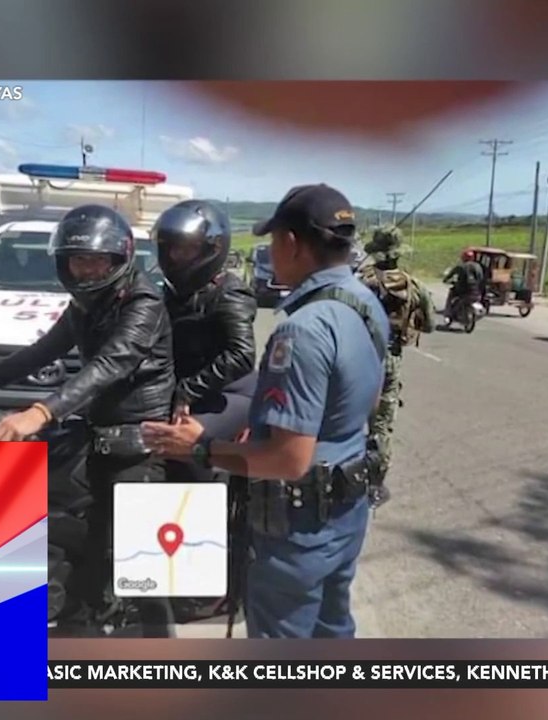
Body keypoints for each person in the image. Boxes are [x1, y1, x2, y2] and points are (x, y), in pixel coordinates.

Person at [142, 183, 390, 639]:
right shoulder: (365, 302)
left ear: (291, 244)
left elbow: (288, 460)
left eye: (273, 240)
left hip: (299, 527)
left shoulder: (302, 330)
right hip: (349, 507)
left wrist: (200, 450)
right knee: (333, 629)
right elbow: (370, 401)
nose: (270, 251)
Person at [0, 203, 176, 636]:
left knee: (141, 569)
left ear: (118, 260)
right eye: (77, 260)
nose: (86, 270)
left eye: (96, 260)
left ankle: (161, 653)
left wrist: (39, 412)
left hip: (139, 441)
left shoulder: (143, 302)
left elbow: (109, 364)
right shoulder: (87, 304)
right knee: (64, 532)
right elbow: (40, 351)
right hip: (97, 432)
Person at [151, 199, 259, 484]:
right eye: (173, 248)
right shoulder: (170, 293)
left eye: (187, 249)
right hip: (178, 391)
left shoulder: (229, 293)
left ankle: (198, 515)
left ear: (213, 250)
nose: (177, 257)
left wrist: (187, 391)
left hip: (230, 392)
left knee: (179, 442)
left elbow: (242, 354)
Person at [355, 224, 434, 505]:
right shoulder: (414, 286)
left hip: (359, 359)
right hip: (390, 361)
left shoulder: (359, 282)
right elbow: (430, 325)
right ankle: (375, 484)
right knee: (382, 427)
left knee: (346, 418)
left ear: (376, 253)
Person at [442, 249, 484, 325]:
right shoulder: (478, 267)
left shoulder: (461, 266)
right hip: (476, 292)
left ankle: (448, 315)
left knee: (450, 295)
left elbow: (450, 275)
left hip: (462, 292)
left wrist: (446, 279)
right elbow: (481, 278)